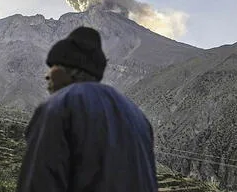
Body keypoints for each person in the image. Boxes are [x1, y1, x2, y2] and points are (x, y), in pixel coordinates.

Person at [16, 26, 158, 192]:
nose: (47, 75)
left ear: (72, 70)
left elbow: (39, 182)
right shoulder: (138, 116)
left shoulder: (59, 106)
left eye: (53, 66)